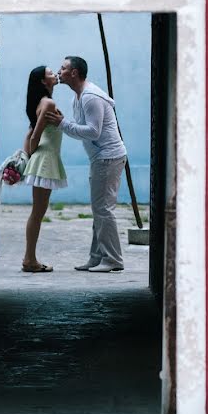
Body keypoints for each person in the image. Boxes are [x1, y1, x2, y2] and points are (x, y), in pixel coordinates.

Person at [46, 55, 128, 272]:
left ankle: (113, 259)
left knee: (103, 209)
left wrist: (63, 124)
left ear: (74, 73)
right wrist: (66, 123)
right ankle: (97, 257)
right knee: (99, 209)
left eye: (63, 68)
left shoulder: (90, 97)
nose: (59, 71)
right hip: (102, 158)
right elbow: (83, 130)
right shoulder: (78, 97)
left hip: (108, 158)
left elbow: (93, 131)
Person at [20, 66, 67, 273]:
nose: (54, 73)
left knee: (37, 213)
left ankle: (30, 258)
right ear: (42, 81)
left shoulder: (43, 102)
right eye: (49, 72)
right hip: (45, 159)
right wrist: (31, 155)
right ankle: (29, 260)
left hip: (44, 158)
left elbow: (30, 131)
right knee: (38, 213)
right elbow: (34, 135)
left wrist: (29, 155)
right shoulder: (48, 103)